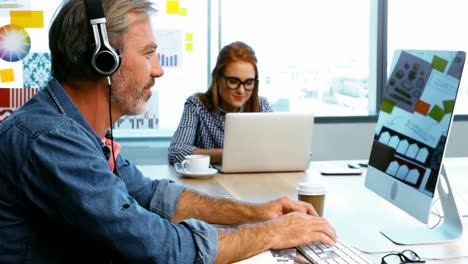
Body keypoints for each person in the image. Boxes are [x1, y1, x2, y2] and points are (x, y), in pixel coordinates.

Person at [0, 0, 336, 263]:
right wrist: (270, 234)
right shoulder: (50, 140)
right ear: (103, 60)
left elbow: (152, 197)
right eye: (148, 53)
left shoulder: (81, 133)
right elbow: (159, 248)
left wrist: (258, 211)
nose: (159, 69)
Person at [168, 41, 273, 164]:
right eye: (233, 81)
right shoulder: (196, 105)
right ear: (218, 78)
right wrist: (232, 154)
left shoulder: (261, 106)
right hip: (209, 182)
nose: (241, 90)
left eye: (249, 83)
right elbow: (177, 152)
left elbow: (276, 149)